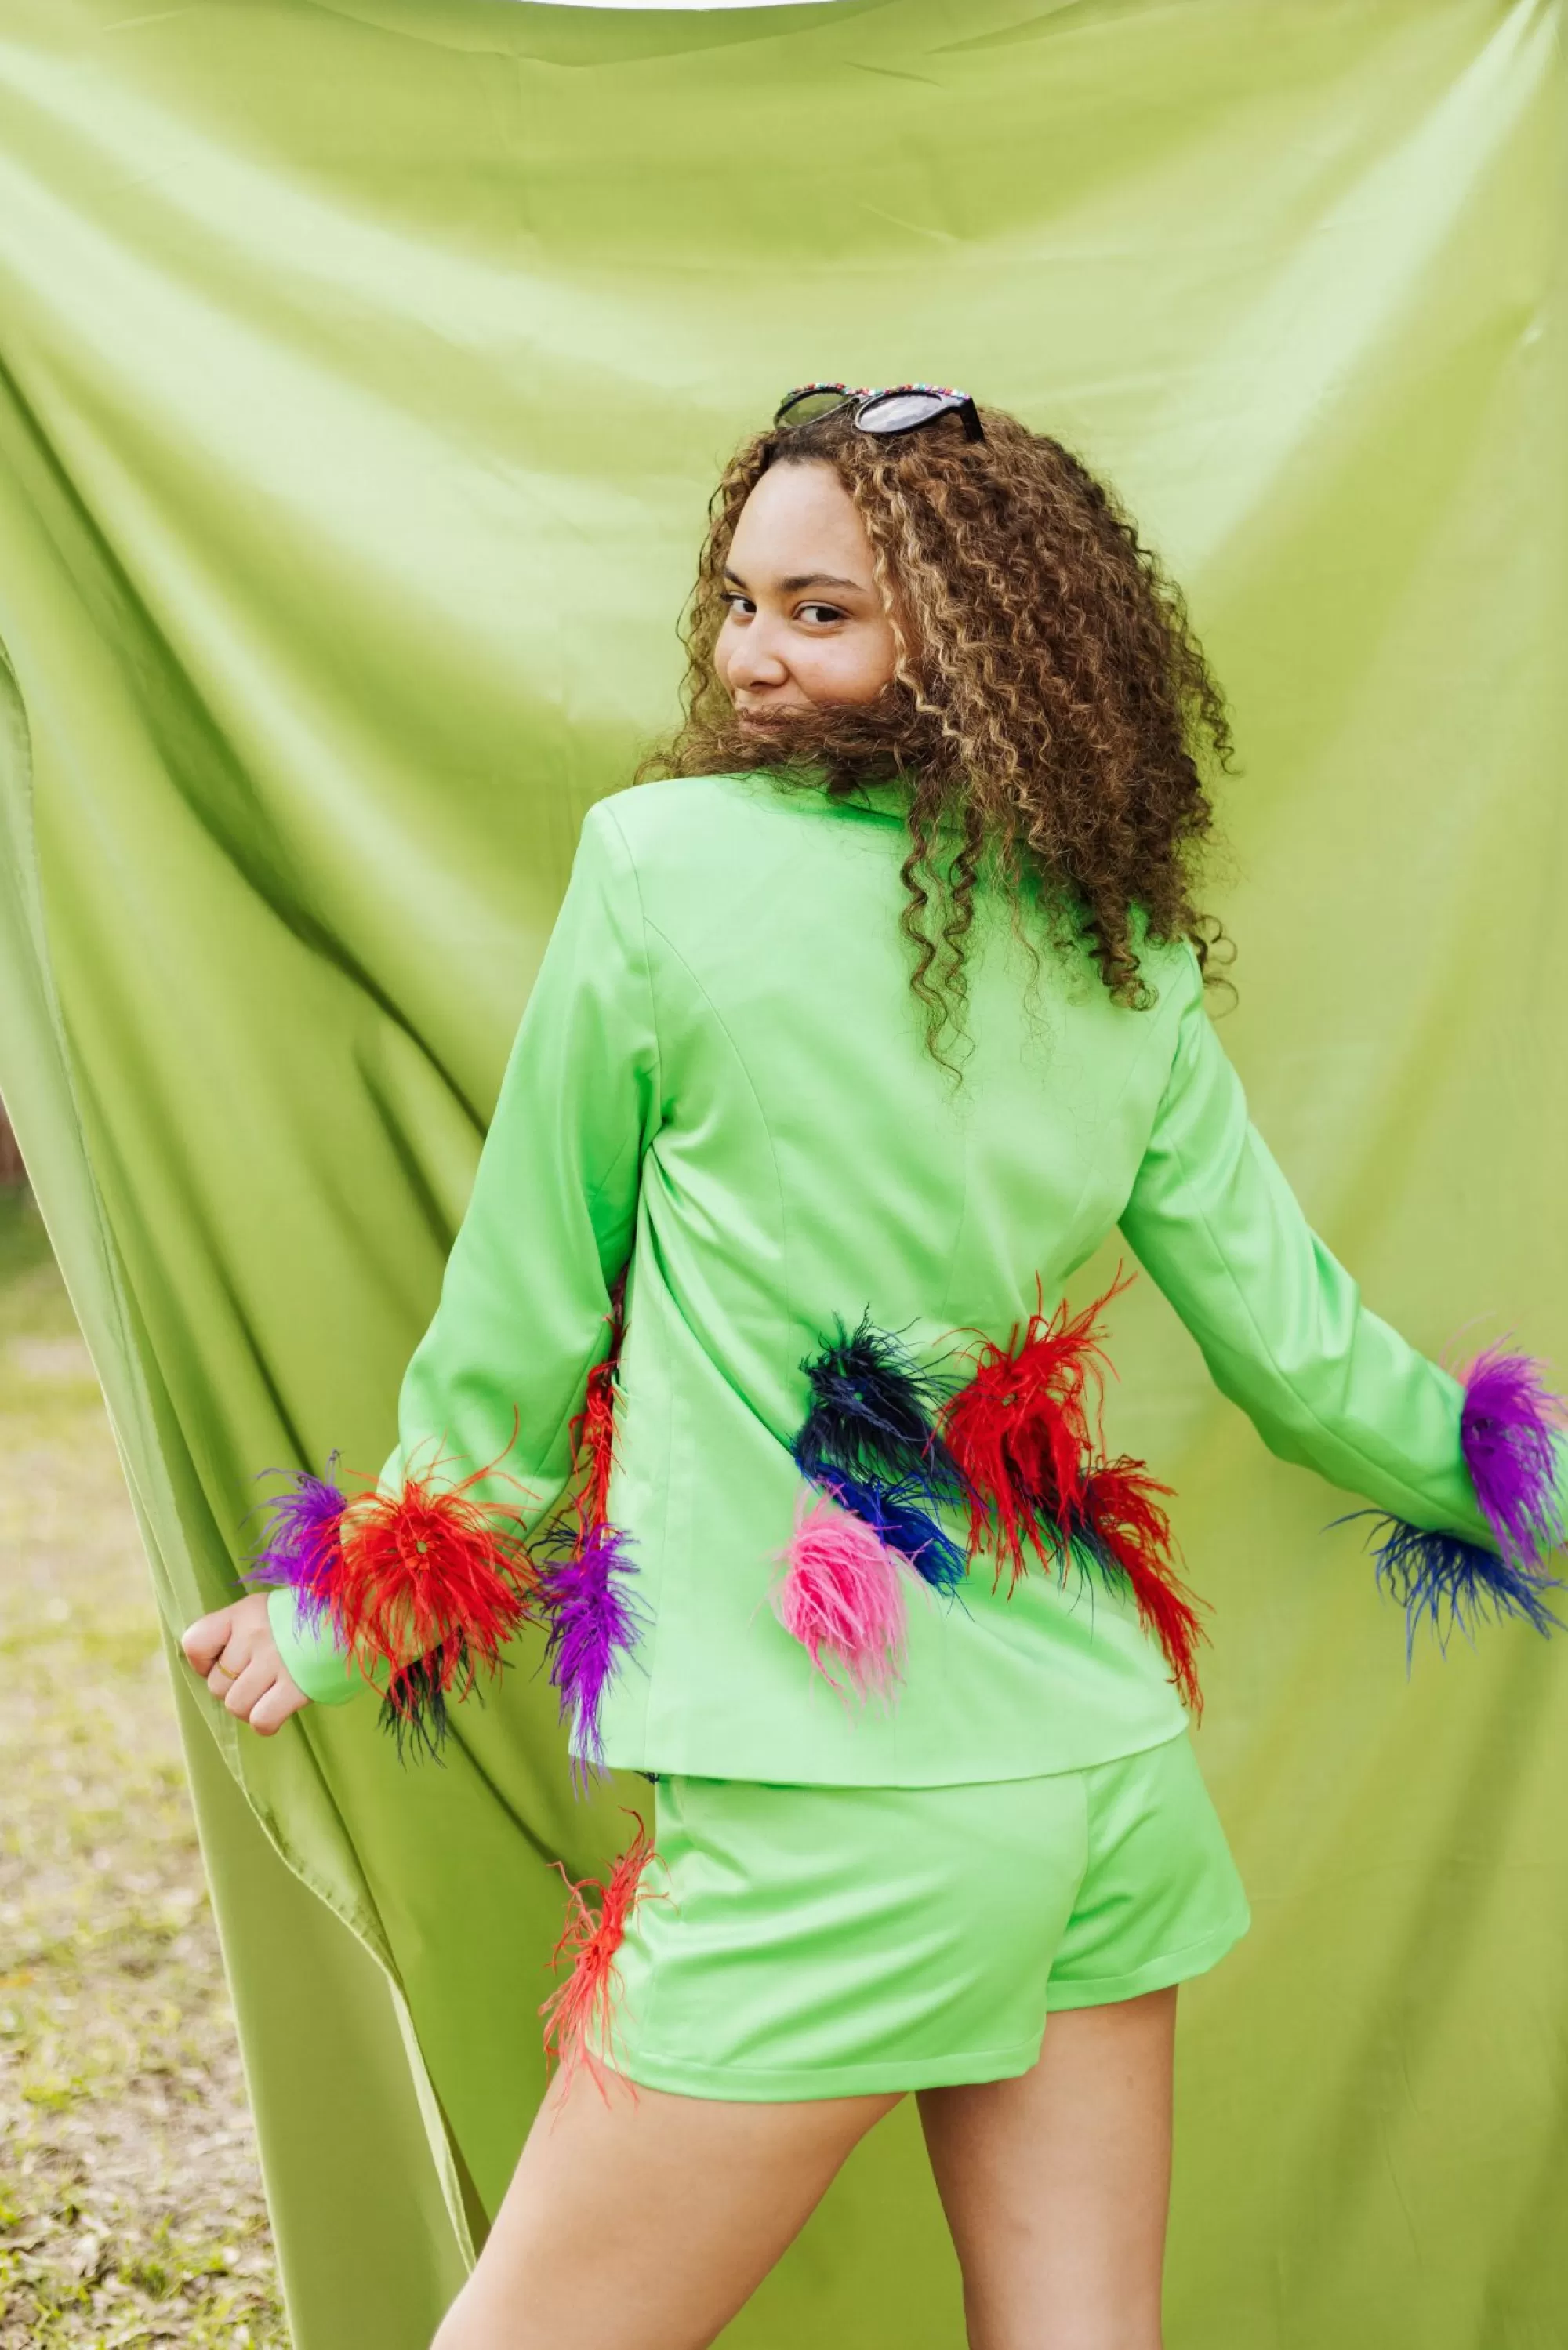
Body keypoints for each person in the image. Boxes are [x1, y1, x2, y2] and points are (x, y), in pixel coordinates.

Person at [181, 383, 1566, 2350]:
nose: (753, 652)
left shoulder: (657, 872)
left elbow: (524, 1313)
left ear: (980, 636)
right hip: (1099, 1777)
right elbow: (1309, 1361)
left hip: (840, 1797)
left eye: (821, 612)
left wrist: (347, 1605)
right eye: (741, 601)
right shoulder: (1121, 951)